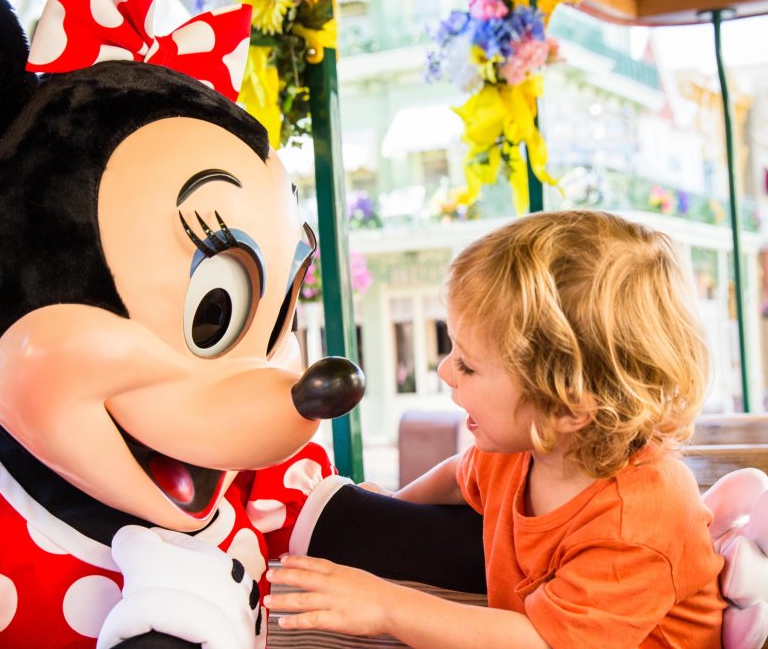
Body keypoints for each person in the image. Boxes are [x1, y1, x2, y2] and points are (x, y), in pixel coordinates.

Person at [266, 210, 725, 647]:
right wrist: (389, 507)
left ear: (567, 404)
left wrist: (386, 606)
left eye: (467, 363)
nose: (445, 371)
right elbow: (457, 477)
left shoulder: (638, 521)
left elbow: (541, 642)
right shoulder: (520, 451)